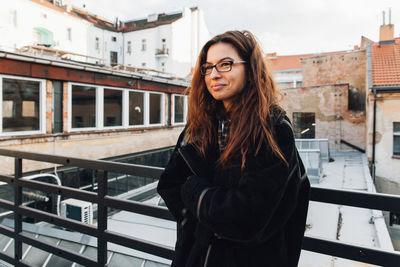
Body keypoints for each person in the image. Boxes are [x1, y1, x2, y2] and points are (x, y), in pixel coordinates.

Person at [157, 30, 310, 267]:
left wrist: (195, 191)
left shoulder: (272, 128)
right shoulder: (198, 126)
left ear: (250, 70)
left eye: (225, 64)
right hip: (195, 255)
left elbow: (248, 214)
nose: (214, 75)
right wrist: (202, 226)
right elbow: (169, 185)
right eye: (207, 67)